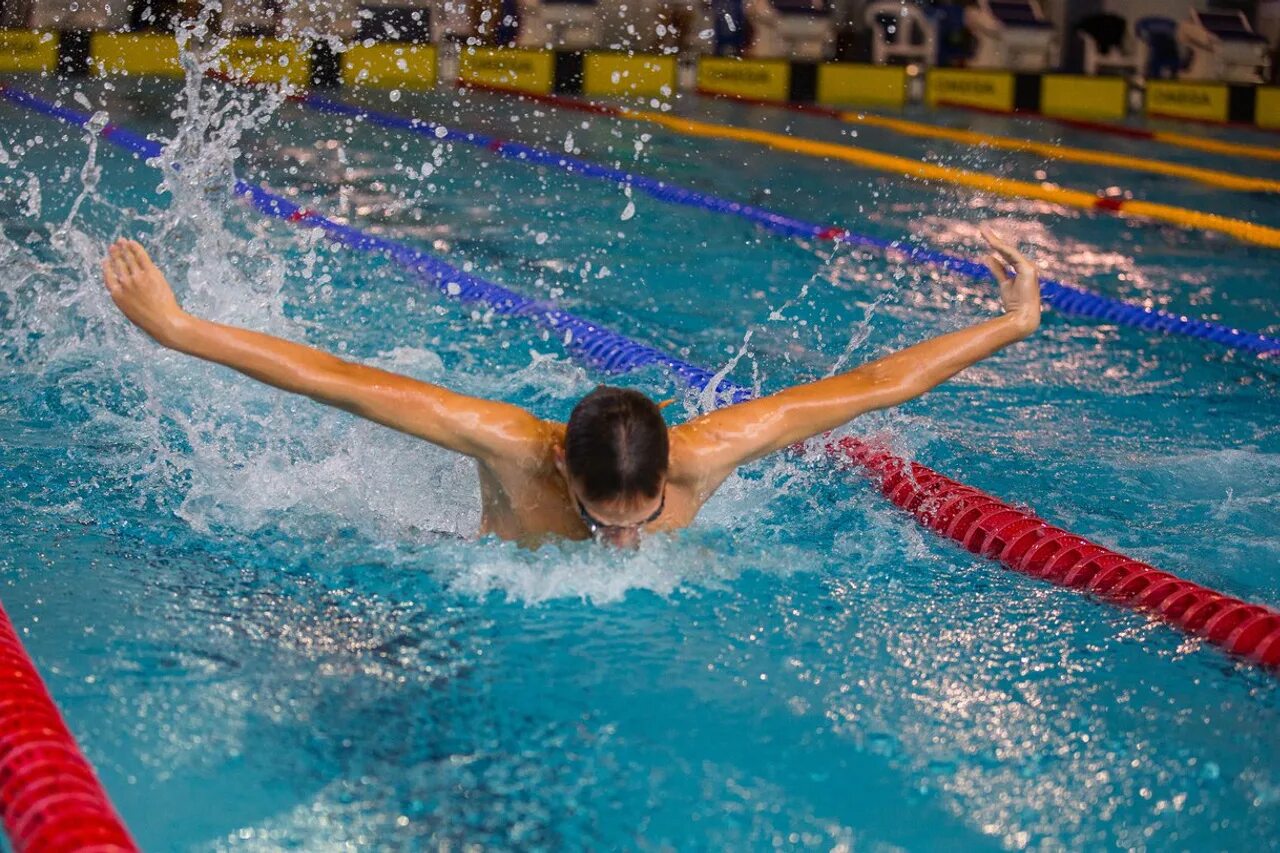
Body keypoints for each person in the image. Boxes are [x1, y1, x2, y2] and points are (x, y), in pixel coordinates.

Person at [101, 227, 1041, 547]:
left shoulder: (705, 457)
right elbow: (340, 381)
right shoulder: (511, 443)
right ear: (562, 462)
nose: (626, 540)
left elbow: (877, 384)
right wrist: (178, 328)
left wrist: (1010, 323)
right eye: (601, 521)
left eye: (641, 516)